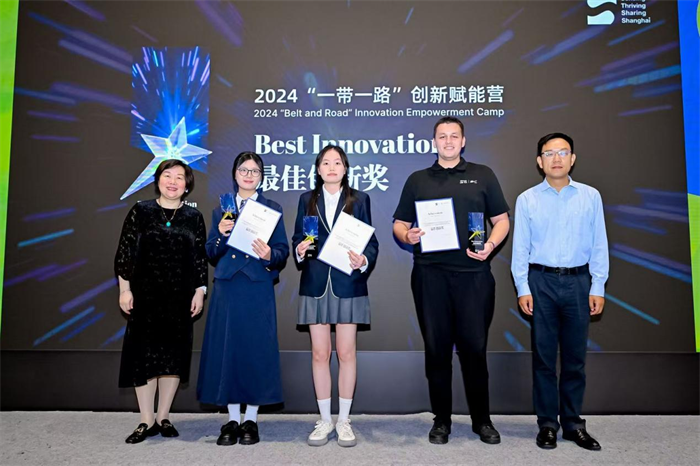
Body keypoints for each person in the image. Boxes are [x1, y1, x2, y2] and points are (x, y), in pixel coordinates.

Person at [393, 117, 510, 445]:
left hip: (474, 277)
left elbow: (501, 220)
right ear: (434, 142)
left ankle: (482, 420)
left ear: (463, 141)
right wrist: (407, 235)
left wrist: (490, 245)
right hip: (430, 276)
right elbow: (399, 224)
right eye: (442, 136)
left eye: (454, 136)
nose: (448, 141)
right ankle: (441, 420)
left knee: (475, 349)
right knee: (437, 350)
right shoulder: (418, 180)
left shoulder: (483, 175)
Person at [511, 133, 608, 451]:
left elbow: (599, 244)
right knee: (543, 359)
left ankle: (573, 424)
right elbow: (521, 248)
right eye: (549, 153)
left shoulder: (590, 196)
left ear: (572, 159)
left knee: (575, 359)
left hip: (579, 282)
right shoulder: (527, 199)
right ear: (539, 161)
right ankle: (547, 425)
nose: (556, 158)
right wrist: (523, 287)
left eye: (563, 152)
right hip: (541, 282)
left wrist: (598, 285)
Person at [197, 151, 289, 446]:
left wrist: (269, 254)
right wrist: (222, 234)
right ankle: (232, 419)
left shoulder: (271, 209)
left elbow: (282, 251)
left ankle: (251, 419)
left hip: (257, 286)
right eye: (244, 170)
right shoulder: (221, 209)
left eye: (254, 171)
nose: (249, 175)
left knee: (255, 351)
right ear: (235, 174)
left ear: (261, 177)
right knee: (228, 351)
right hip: (228, 287)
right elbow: (211, 252)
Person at [115, 159, 208, 444]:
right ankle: (146, 419)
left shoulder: (193, 217)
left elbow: (199, 258)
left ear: (187, 185)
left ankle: (163, 416)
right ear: (158, 180)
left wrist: (199, 291)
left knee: (172, 358)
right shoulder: (141, 211)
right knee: (145, 358)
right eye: (167, 175)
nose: (173, 182)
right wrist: (125, 289)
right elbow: (125, 252)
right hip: (145, 297)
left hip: (179, 298)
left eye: (179, 177)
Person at [292, 145, 379, 447]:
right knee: (319, 353)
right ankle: (324, 420)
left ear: (345, 168)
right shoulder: (306, 199)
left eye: (337, 163)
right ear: (318, 169)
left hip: (347, 283)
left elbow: (371, 243)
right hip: (315, 283)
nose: (331, 167)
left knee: (346, 353)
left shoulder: (360, 199)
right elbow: (298, 237)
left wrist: (363, 260)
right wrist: (300, 249)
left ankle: (343, 420)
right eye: (326, 163)